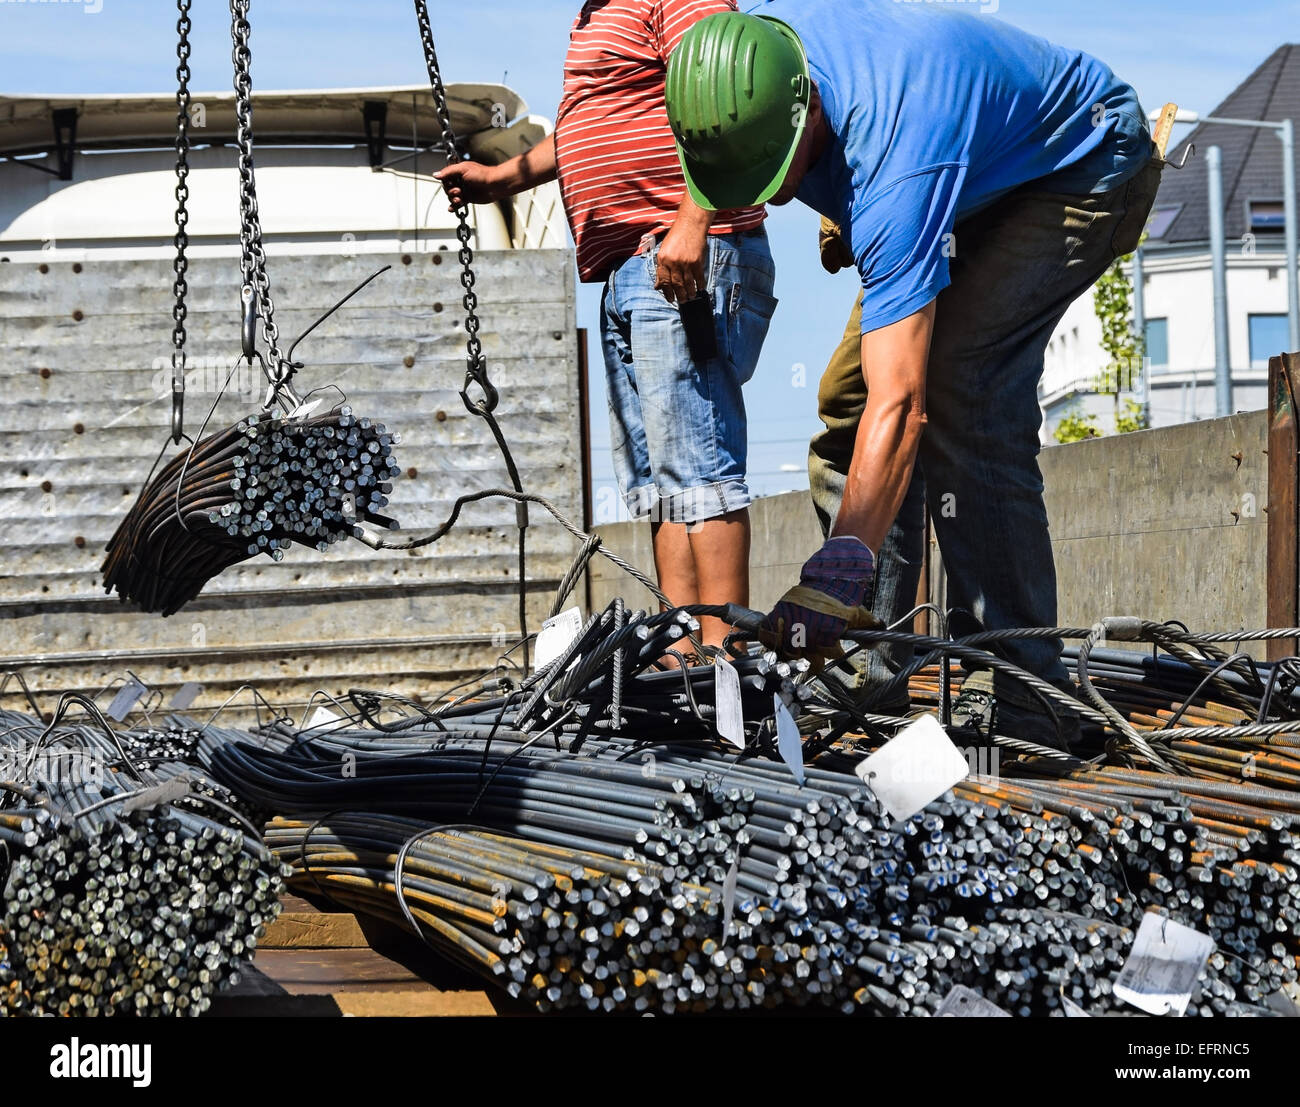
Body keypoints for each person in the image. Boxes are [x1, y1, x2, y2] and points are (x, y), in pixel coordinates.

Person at [663, 2, 1162, 745]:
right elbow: (723, 138)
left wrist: (833, 574)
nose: (764, 198)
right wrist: (698, 212)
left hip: (1078, 166)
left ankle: (1022, 687)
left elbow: (902, 407)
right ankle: (863, 663)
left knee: (964, 390)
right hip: (972, 176)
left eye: (772, 176)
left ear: (808, 114)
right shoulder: (751, 62)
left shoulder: (898, 156)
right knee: (846, 399)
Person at [436, 0, 777, 653]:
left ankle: (730, 666)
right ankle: (681, 660)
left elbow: (726, 94)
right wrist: (500, 180)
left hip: (683, 254)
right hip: (630, 268)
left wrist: (693, 222)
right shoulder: (596, 16)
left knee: (701, 469)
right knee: (661, 484)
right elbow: (593, 126)